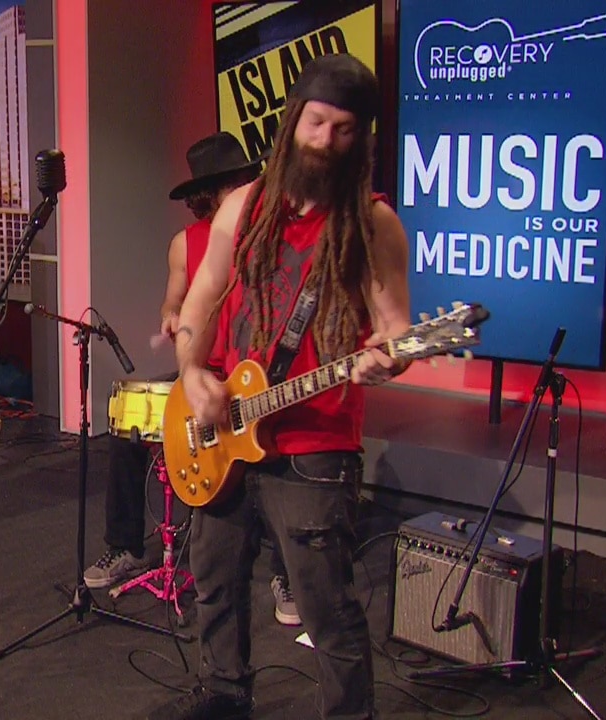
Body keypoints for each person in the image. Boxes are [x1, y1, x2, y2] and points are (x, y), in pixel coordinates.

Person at [147, 54, 410, 720]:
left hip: (316, 443)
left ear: (361, 139)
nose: (325, 140)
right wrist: (191, 372)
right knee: (216, 581)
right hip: (227, 426)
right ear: (293, 120)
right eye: (316, 122)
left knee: (326, 606)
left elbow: (396, 329)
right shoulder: (246, 205)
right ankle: (225, 694)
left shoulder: (372, 223)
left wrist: (388, 357)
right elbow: (203, 297)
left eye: (343, 130)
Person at [85, 132, 301, 627]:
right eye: (225, 189)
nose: (236, 196)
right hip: (204, 370)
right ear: (206, 195)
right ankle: (125, 546)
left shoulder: (273, 230)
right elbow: (175, 298)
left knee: (275, 452)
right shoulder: (186, 243)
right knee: (127, 422)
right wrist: (170, 315)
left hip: (260, 372)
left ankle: (285, 572)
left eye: (240, 184)